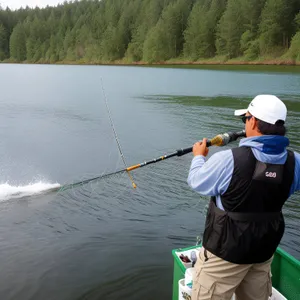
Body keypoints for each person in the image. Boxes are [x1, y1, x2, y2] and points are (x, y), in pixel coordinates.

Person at [187, 95, 300, 300]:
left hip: (225, 253)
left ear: (254, 121)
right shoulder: (296, 162)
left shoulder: (228, 159)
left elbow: (196, 181)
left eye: (245, 119)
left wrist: (199, 157)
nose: (245, 123)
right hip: (263, 252)